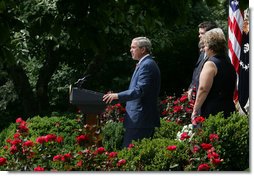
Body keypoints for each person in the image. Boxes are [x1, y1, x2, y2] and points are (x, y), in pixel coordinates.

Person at [103, 37, 161, 148]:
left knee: (131, 154)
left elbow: (140, 90)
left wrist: (117, 96)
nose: (130, 50)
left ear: (143, 49)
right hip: (139, 120)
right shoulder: (144, 63)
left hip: (141, 120)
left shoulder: (147, 65)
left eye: (133, 47)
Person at [191, 28, 236, 124]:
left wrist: (195, 110)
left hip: (212, 111)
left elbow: (203, 89)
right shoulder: (229, 64)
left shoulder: (210, 64)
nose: (204, 49)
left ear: (212, 47)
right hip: (229, 109)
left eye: (206, 45)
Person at [188, 21, 218, 101]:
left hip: (209, 99)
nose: (199, 36)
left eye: (202, 33)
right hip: (198, 96)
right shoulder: (202, 52)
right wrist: (191, 87)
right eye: (199, 33)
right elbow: (197, 72)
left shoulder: (217, 56)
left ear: (211, 35)